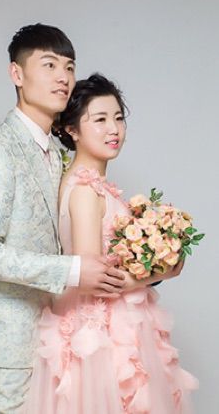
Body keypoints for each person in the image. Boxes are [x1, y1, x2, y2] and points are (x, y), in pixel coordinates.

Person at [0, 24, 130, 413]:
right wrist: (73, 270)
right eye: (49, 65)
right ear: (16, 74)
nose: (63, 77)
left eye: (69, 67)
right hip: (8, 338)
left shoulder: (57, 150)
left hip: (57, 334)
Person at [22, 74, 198, 413]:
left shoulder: (92, 185)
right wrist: (160, 274)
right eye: (100, 119)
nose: (114, 129)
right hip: (98, 335)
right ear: (71, 130)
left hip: (112, 325)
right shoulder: (86, 191)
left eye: (118, 118)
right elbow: (93, 279)